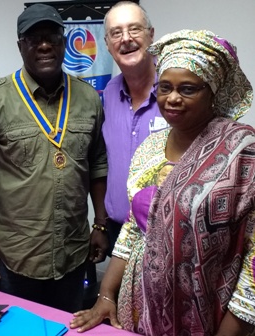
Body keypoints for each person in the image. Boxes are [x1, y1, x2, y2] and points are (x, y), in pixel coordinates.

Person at [72, 29, 255, 335]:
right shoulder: (151, 147)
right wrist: (106, 295)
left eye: (188, 89)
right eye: (164, 87)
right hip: (140, 307)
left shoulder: (242, 150)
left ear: (212, 91)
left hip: (210, 313)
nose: (172, 98)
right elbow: (134, 228)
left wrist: (231, 330)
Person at [0, 4, 108, 313]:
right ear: (20, 46)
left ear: (64, 42)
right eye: (33, 38)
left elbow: (97, 166)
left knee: (66, 327)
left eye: (52, 37)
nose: (44, 45)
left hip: (73, 252)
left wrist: (101, 226)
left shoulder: (89, 99)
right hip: (14, 258)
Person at [101, 1, 166, 255]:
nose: (126, 39)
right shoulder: (109, 92)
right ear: (107, 44)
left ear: (151, 34)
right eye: (116, 33)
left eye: (134, 29)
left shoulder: (176, 90)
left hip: (166, 236)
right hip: (117, 232)